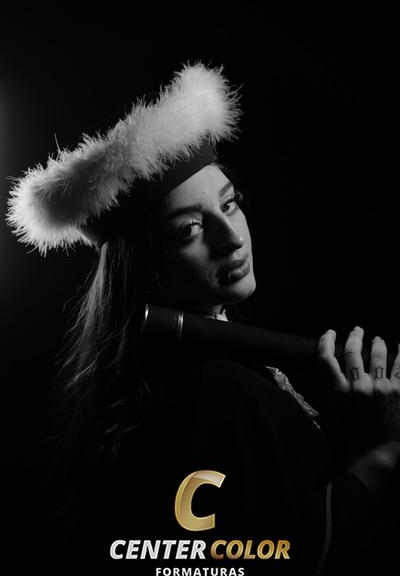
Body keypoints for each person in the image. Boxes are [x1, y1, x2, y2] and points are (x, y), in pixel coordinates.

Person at [7, 63, 400, 574]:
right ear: (144, 266)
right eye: (189, 229)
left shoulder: (214, 368)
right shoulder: (212, 389)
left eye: (229, 204)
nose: (231, 238)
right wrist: (378, 457)